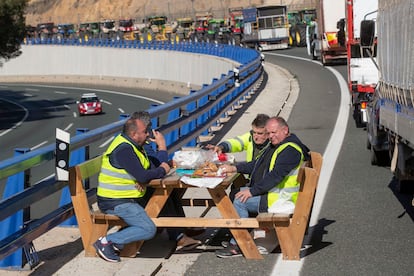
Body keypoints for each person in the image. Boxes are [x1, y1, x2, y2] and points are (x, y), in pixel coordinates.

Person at [93, 111, 199, 263]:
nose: (148, 134)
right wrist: (161, 169)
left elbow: (151, 168)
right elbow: (144, 175)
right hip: (115, 201)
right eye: (145, 132)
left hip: (129, 197)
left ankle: (179, 232)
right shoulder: (124, 149)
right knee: (148, 229)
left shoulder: (135, 145)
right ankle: (107, 242)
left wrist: (160, 158)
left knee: (167, 195)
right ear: (134, 134)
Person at [214, 116, 310, 258]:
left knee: (240, 200)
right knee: (235, 193)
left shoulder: (290, 150)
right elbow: (257, 164)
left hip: (280, 199)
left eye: (274, 132)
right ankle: (239, 234)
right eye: (269, 133)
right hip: (275, 194)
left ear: (285, 130)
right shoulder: (279, 145)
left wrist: (253, 191)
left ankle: (240, 244)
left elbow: (275, 176)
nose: (270, 136)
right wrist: (234, 168)